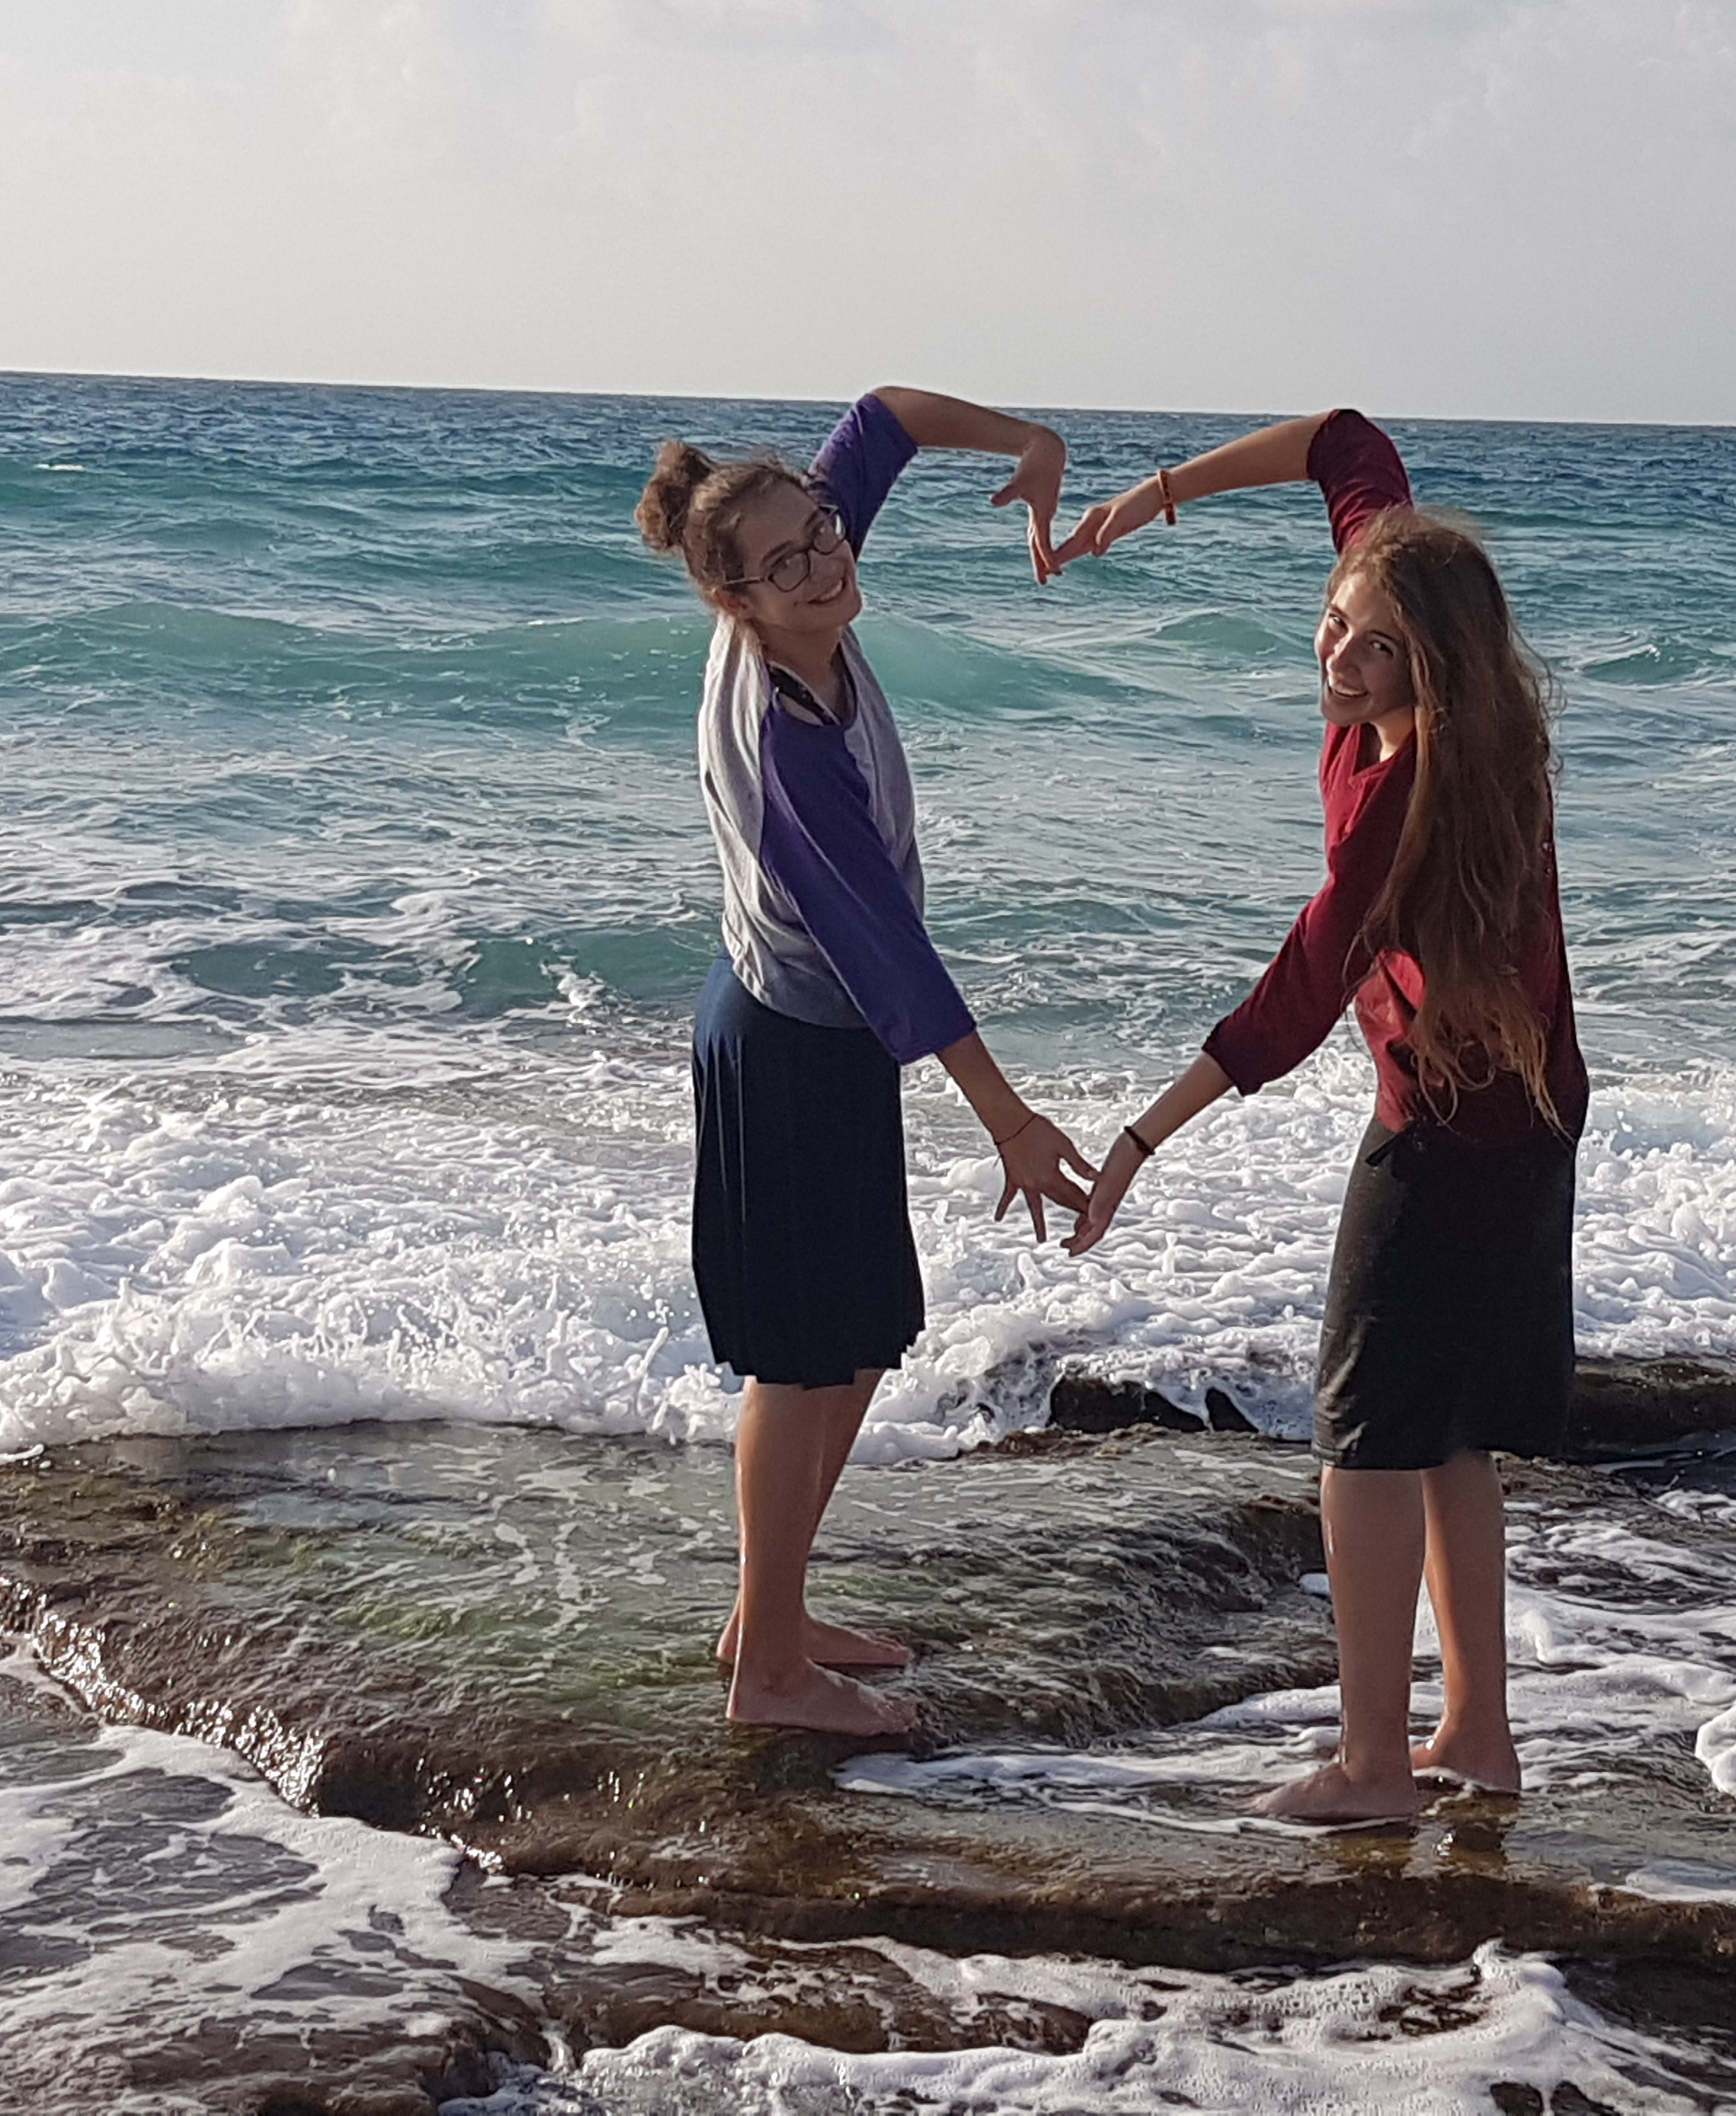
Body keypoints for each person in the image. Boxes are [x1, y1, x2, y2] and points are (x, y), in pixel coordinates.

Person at [1058, 409, 1587, 1823]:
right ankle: (1475, 1740)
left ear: (1437, 669)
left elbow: (1293, 1000)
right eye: (1339, 622)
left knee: (1361, 1447)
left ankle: (1371, 1766)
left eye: (1375, 651)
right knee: (1451, 1435)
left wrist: (1135, 1145)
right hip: (1532, 1119)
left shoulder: (1413, 798)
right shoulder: (1426, 628)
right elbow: (1343, 442)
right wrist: (1156, 495)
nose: (1337, 657)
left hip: (1448, 1135)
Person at [637, 386, 1096, 1738]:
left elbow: (886, 416)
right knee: (801, 1362)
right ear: (734, 600)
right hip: (788, 1044)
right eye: (787, 562)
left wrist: (1031, 445)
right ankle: (770, 1679)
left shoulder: (807, 580)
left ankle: (766, 1616)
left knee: (855, 1345)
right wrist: (1009, 1121)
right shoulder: (790, 745)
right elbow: (891, 954)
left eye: (825, 531)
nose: (826, 562)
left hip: (814, 1033)